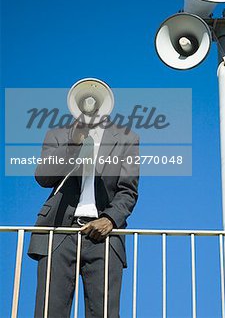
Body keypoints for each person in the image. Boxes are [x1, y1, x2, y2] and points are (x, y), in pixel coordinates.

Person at [28, 110, 140, 318]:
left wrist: (110, 219)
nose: (91, 109)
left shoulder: (127, 138)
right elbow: (43, 177)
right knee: (49, 311)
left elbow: (128, 191)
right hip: (58, 231)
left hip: (104, 237)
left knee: (103, 312)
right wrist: (74, 142)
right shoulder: (58, 134)